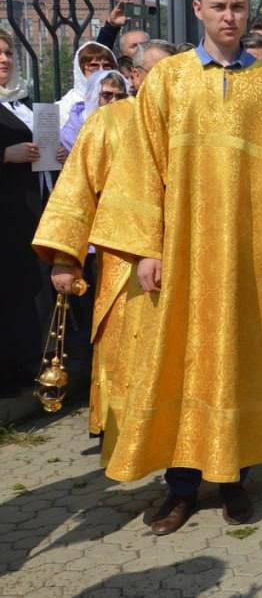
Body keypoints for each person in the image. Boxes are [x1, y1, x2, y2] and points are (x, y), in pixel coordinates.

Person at [89, 0, 262, 536]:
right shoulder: (169, 79)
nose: (229, 17)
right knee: (181, 361)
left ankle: (235, 479)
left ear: (247, 9)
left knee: (241, 358)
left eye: (237, 7)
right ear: (198, 11)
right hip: (181, 251)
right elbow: (141, 167)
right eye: (219, 7)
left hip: (247, 257)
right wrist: (145, 248)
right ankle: (181, 486)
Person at [32, 41, 174, 440]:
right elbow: (77, 188)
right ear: (137, 76)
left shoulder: (195, 123)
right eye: (157, 73)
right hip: (122, 261)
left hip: (185, 257)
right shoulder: (108, 122)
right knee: (123, 345)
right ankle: (123, 430)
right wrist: (65, 256)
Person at [0, 28, 47, 397]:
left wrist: (52, 153)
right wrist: (4, 155)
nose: (4, 60)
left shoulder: (20, 100)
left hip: (24, 210)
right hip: (4, 211)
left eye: (8, 53)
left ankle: (21, 367)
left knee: (22, 289)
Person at [59, 70, 128, 151]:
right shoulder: (71, 133)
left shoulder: (128, 125)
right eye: (107, 95)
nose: (114, 101)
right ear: (93, 95)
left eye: (120, 96)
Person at [57, 41, 116, 126]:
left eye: (107, 66)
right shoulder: (63, 108)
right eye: (94, 66)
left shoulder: (121, 101)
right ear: (80, 70)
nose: (101, 71)